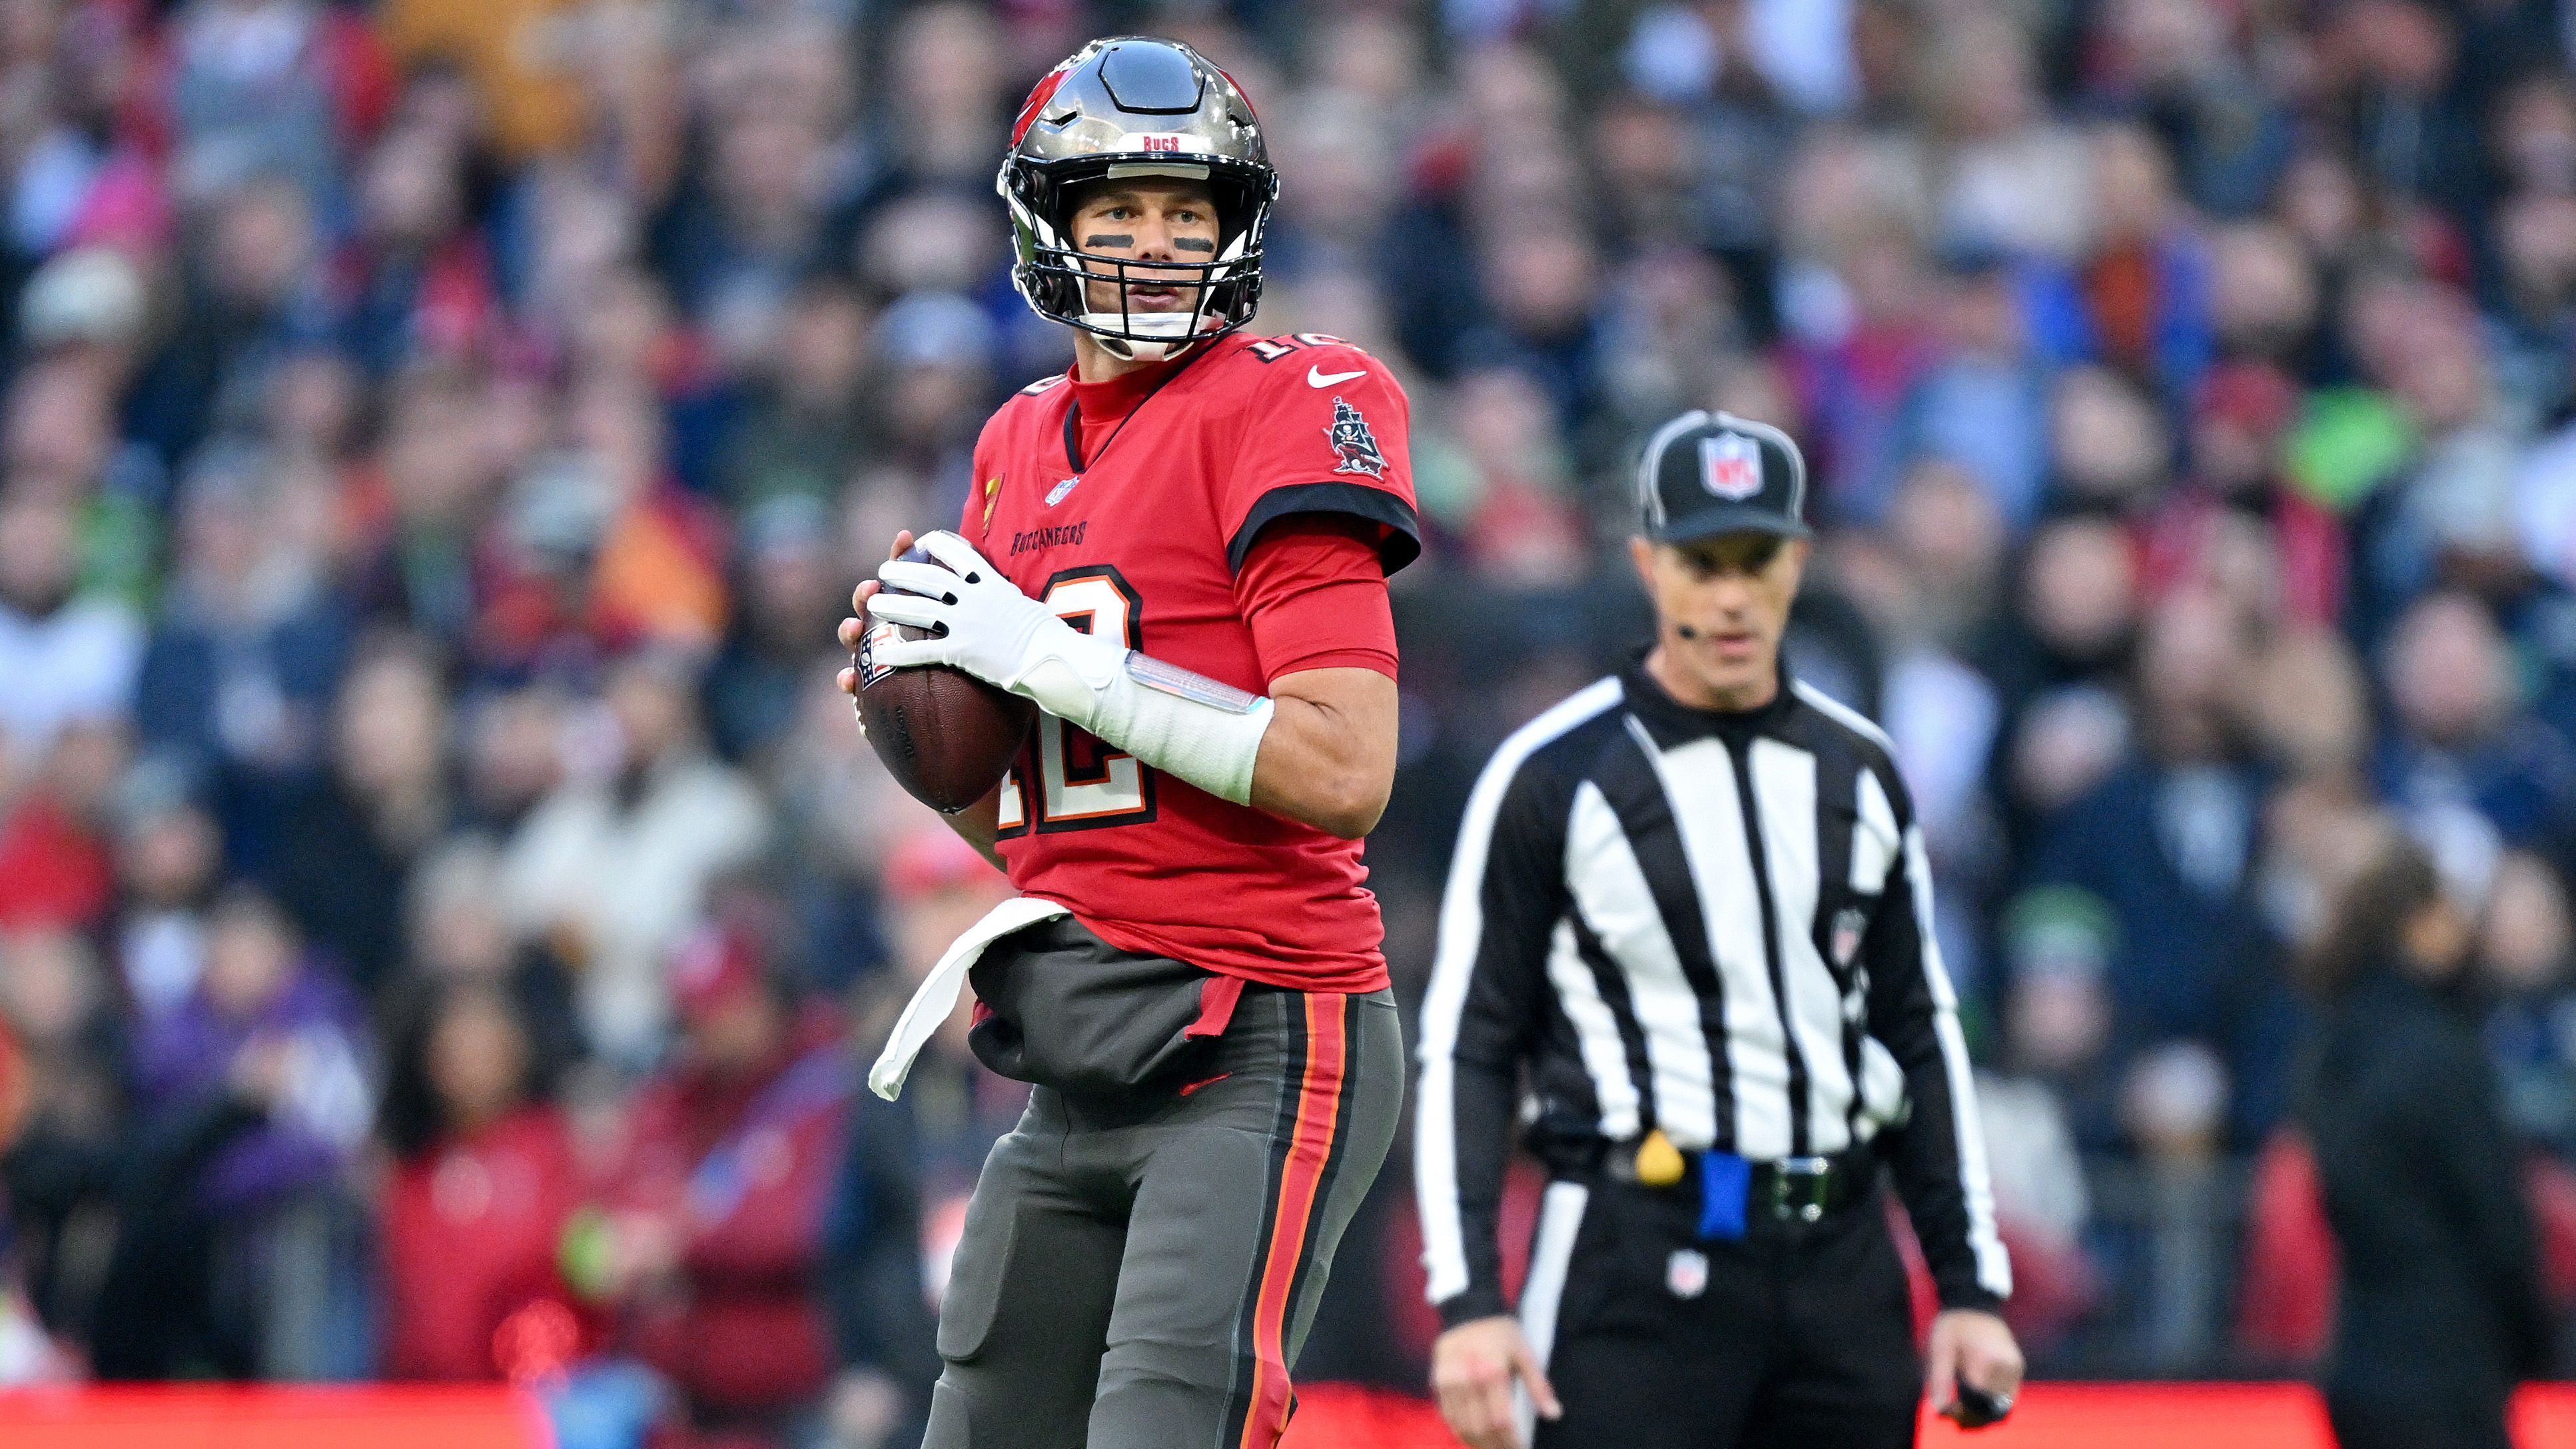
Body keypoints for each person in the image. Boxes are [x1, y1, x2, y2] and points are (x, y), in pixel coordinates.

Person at [835, 36, 1416, 1448]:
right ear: (1047, 224)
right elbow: (1050, 825)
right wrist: (917, 722)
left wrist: (1037, 655)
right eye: (1117, 215)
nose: (1155, 248)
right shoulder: (1013, 438)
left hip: (1260, 1022)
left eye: (1185, 215)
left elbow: (1345, 770)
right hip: (1079, 1040)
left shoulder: (1291, 397)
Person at [1414, 412, 2024, 1449]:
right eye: (1701, 561)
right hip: (1634, 1249)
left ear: (1798, 561)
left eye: (1756, 558)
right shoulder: (1552, 774)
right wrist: (1468, 1298)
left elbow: (1915, 1032)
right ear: (1647, 564)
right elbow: (1470, 1043)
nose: (1731, 592)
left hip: (1839, 1254)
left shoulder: (1859, 769)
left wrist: (1968, 1281)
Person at [2298, 829, 2552, 1449]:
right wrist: (2535, 1338)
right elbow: (2495, 1217)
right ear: (2417, 922)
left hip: (2358, 1353)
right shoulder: (2440, 1051)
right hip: (2448, 1368)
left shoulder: (2333, 1046)